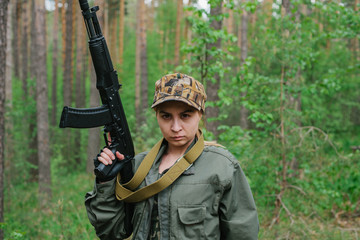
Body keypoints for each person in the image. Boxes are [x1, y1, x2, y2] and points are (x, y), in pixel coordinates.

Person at [85, 73, 259, 240]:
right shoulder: (138, 167)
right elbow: (112, 232)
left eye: (185, 115)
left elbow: (242, 233)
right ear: (157, 116)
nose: (176, 127)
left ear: (200, 114)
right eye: (166, 116)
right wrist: (105, 182)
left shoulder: (222, 166)